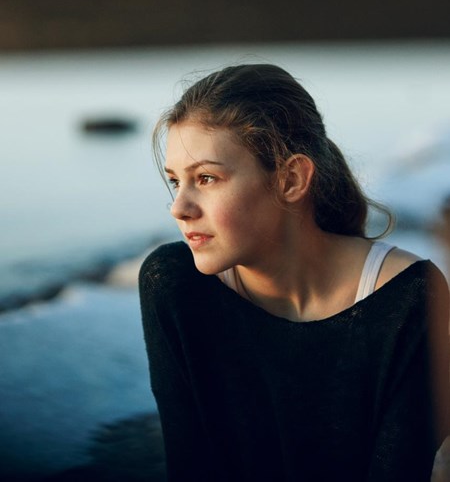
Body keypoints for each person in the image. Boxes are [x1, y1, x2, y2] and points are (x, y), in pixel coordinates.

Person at [139, 64, 450, 481]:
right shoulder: (175, 283)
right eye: (176, 181)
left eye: (207, 178)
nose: (179, 207)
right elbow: (189, 462)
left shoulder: (410, 296)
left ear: (291, 178)